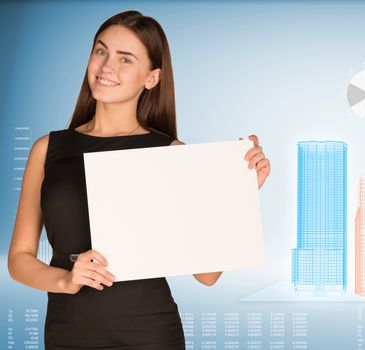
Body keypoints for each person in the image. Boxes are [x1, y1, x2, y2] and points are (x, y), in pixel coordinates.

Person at [7, 10, 271, 349]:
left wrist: (239, 193)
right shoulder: (47, 149)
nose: (106, 67)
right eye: (101, 51)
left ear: (152, 78)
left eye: (125, 59)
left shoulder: (172, 153)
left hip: (150, 334)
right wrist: (65, 280)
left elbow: (207, 276)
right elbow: (19, 259)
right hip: (67, 333)